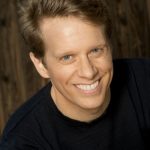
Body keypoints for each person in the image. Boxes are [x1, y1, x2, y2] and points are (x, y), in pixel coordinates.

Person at [0, 0, 150, 149]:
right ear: (41, 65)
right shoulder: (23, 142)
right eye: (67, 57)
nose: (88, 72)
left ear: (109, 47)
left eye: (96, 50)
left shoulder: (145, 79)